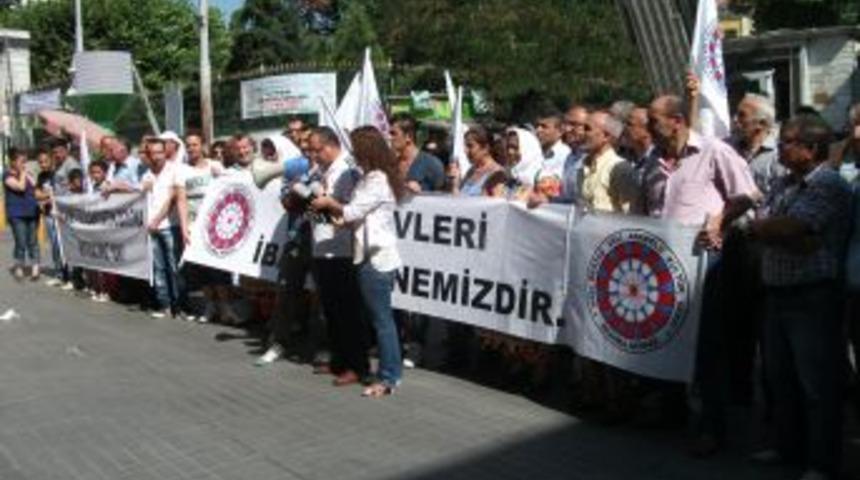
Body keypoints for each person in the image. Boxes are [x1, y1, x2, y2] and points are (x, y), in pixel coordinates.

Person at [644, 94, 760, 456]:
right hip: (662, 266)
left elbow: (748, 194)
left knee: (708, 347)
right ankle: (672, 411)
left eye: (653, 121)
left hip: (705, 267)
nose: (648, 129)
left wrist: (719, 219)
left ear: (677, 120)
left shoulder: (713, 151)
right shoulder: (653, 162)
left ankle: (713, 427)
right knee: (665, 338)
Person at [749, 115, 852, 480]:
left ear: (811, 149)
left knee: (817, 384)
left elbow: (794, 227)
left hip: (813, 297)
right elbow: (770, 220)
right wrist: (776, 230)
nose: (781, 148)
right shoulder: (784, 183)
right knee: (780, 376)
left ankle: (822, 462)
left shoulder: (828, 185)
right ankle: (786, 446)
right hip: (777, 292)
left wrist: (769, 229)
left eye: (788, 142)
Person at [311, 126, 406, 398]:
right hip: (366, 253)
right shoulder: (372, 177)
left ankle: (388, 378)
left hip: (376, 257)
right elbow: (352, 218)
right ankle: (388, 374)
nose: (353, 152)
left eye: (356, 147)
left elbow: (352, 211)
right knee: (378, 319)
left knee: (381, 321)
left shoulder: (376, 178)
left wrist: (329, 202)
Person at [303, 127, 369, 386]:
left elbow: (350, 211)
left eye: (317, 150)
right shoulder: (320, 172)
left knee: (348, 312)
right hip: (321, 247)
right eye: (311, 151)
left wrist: (326, 204)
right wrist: (307, 203)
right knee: (331, 310)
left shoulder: (347, 172)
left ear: (331, 145)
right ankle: (339, 359)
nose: (314, 155)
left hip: (341, 250)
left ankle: (357, 364)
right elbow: (317, 213)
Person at [178, 131, 229, 323]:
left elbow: (230, 187)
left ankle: (224, 308)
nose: (192, 148)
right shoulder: (181, 171)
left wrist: (221, 175)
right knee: (200, 268)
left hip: (215, 226)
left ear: (203, 146)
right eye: (188, 145)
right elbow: (181, 201)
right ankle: (210, 305)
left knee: (218, 268)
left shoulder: (214, 166)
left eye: (195, 144)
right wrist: (184, 228)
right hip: (194, 225)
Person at [142, 138, 190, 319]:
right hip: (151, 229)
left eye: (159, 152)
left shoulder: (175, 170)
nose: (156, 157)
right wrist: (143, 190)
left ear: (165, 152)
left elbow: (175, 199)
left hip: (170, 226)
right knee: (158, 268)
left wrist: (157, 219)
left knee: (175, 267)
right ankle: (165, 304)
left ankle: (180, 306)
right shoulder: (146, 175)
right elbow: (140, 201)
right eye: (152, 153)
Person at [4, 148, 40, 280]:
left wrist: (29, 175)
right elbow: (20, 187)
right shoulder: (7, 175)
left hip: (32, 211)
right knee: (21, 241)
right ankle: (19, 266)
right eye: (21, 161)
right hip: (17, 213)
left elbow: (35, 186)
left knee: (33, 241)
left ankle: (35, 268)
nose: (24, 164)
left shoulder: (27, 173)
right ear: (13, 162)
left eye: (25, 161)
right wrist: (23, 173)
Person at [390, 113, 446, 193]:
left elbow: (443, 198)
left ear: (408, 136)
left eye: (393, 134)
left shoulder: (431, 164)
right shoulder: (392, 164)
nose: (390, 138)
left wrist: (420, 193)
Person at [34, 148, 63, 286]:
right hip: (48, 214)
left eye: (45, 161)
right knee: (54, 245)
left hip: (60, 214)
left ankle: (68, 274)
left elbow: (59, 192)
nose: (43, 164)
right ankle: (59, 273)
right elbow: (37, 194)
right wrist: (46, 197)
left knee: (62, 244)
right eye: (40, 162)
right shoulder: (41, 176)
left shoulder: (56, 174)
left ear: (51, 160)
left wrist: (47, 196)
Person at [448, 126, 503, 196]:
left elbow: (494, 204)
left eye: (470, 146)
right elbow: (458, 201)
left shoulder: (497, 174)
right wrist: (455, 183)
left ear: (486, 148)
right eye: (465, 146)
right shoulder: (471, 171)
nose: (465, 150)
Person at [534, 111, 571, 177]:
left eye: (544, 127)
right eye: (537, 126)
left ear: (560, 131)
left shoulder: (566, 156)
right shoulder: (534, 153)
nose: (538, 130)